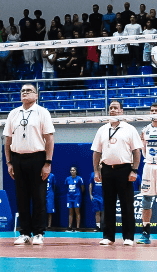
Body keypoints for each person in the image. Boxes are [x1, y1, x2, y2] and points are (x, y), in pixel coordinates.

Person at [2, 82, 55, 245]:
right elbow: (7, 139)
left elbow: (49, 139)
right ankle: (24, 232)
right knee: (22, 197)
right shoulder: (13, 113)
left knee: (39, 196)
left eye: (29, 91)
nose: (25, 93)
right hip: (17, 158)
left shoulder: (42, 112)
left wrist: (47, 162)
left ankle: (39, 232)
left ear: (36, 95)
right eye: (22, 91)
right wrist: (9, 162)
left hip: (37, 158)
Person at [92, 99, 141, 245]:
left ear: (121, 111)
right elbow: (96, 152)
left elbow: (136, 151)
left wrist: (134, 170)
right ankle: (108, 237)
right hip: (107, 169)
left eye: (115, 108)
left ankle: (128, 237)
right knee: (108, 204)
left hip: (125, 170)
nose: (112, 110)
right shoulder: (102, 129)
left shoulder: (130, 128)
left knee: (127, 205)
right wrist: (96, 171)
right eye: (110, 108)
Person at [141, 104, 157, 243]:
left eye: (156, 111)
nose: (154, 113)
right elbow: (143, 148)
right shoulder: (145, 130)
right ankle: (146, 233)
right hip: (149, 166)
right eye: (152, 111)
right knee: (146, 199)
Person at [65, 165, 85, 231]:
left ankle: (77, 227)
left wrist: (78, 194)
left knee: (77, 211)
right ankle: (70, 227)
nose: (72, 171)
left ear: (76, 171)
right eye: (71, 170)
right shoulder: (67, 179)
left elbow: (82, 188)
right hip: (69, 197)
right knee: (70, 212)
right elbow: (66, 187)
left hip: (77, 197)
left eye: (73, 170)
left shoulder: (79, 178)